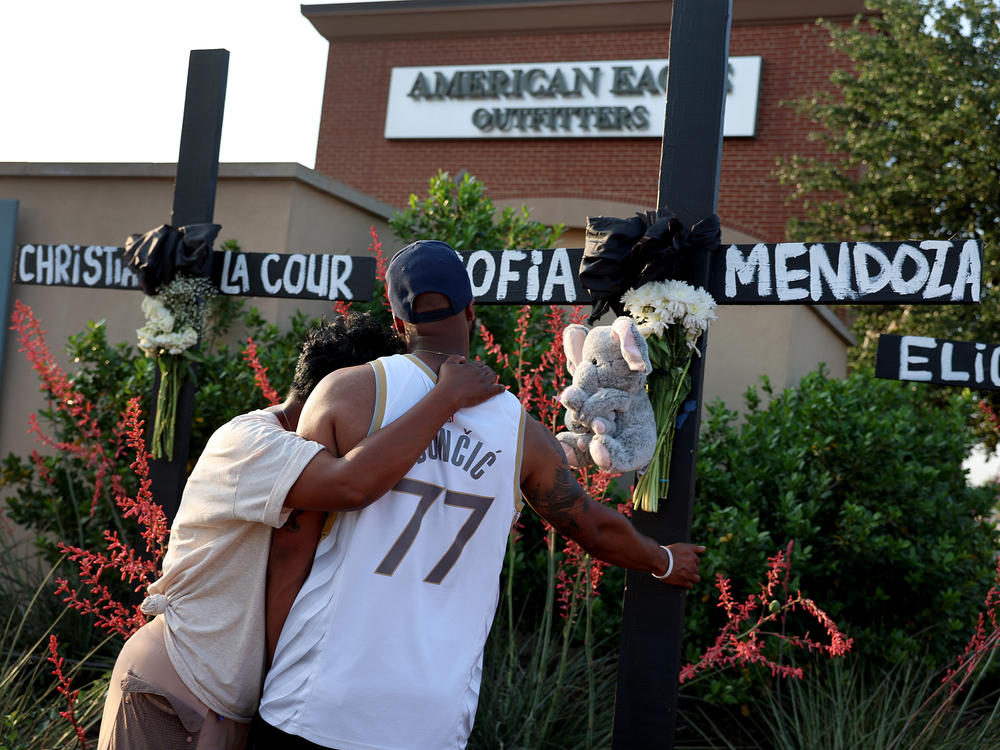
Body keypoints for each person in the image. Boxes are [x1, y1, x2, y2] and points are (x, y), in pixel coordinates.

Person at [255, 240, 705, 750]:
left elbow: (293, 546)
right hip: (431, 717)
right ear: (472, 310)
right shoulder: (522, 432)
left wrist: (269, 667)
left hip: (315, 699)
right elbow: (595, 527)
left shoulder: (344, 393)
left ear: (399, 323)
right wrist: (662, 560)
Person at [97, 311, 504, 750]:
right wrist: (444, 398)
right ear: (341, 392)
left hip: (231, 703)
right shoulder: (254, 443)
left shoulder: (301, 451)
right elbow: (352, 482)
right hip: (175, 685)